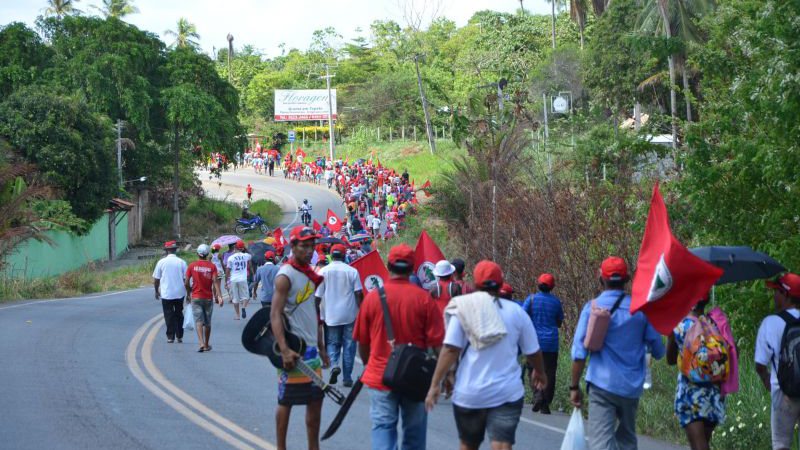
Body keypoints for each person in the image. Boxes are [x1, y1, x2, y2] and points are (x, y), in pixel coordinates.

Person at [425, 260, 548, 450]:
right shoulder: (517, 312)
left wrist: (435, 384)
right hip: (506, 392)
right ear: (500, 283)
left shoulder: (463, 309)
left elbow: (450, 350)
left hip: (470, 392)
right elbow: (533, 351)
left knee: (468, 444)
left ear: (474, 284)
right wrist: (539, 372)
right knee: (502, 445)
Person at [353, 244, 445, 450]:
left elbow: (363, 342)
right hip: (415, 378)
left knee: (383, 427)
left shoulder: (372, 299)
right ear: (413, 268)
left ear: (388, 266)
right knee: (414, 433)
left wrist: (370, 366)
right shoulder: (424, 299)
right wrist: (443, 377)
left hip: (380, 377)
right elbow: (438, 345)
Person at [569, 256, 666, 450]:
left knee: (601, 443)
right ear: (627, 279)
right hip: (631, 388)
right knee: (627, 440)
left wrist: (574, 386)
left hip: (601, 385)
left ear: (600, 278)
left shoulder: (592, 308)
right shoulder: (640, 311)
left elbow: (579, 354)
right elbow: (658, 351)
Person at [271, 225, 329, 450]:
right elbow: (275, 314)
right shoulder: (285, 275)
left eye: (311, 246)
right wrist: (284, 349)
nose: (308, 250)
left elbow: (313, 312)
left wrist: (322, 346)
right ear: (293, 246)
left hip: (313, 350)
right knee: (286, 400)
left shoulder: (309, 274)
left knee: (316, 401)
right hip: (294, 348)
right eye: (304, 246)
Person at [666, 294, 727, 450]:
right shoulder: (715, 323)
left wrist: (671, 337)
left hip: (691, 396)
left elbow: (670, 359)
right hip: (715, 395)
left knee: (699, 445)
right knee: (703, 443)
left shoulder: (680, 326)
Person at [755, 273, 800, 450]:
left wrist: (767, 381)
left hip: (783, 393)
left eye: (777, 292)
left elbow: (760, 365)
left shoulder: (771, 323)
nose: (774, 296)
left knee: (781, 444)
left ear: (787, 295)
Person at [315, 244, 364, 387]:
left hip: (330, 315)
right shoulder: (352, 271)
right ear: (344, 256)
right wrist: (362, 312)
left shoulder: (323, 271)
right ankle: (347, 378)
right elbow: (358, 293)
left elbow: (317, 297)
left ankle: (334, 364)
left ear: (331, 255)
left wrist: (316, 313)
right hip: (350, 315)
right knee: (349, 346)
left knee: (332, 343)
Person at [522, 273, 563, 414]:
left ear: (538, 284)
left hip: (534, 341)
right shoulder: (556, 302)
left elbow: (522, 316)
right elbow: (559, 322)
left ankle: (538, 394)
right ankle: (545, 402)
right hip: (551, 343)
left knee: (532, 369)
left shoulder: (531, 300)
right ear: (552, 286)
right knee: (549, 372)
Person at [185, 244, 223, 352]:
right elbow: (215, 281)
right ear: (207, 254)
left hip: (196, 297)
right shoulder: (212, 266)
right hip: (208, 298)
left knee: (198, 321)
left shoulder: (192, 266)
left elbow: (186, 282)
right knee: (207, 322)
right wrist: (219, 296)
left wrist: (189, 292)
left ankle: (201, 342)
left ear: (197, 253)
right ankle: (206, 344)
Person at [152, 241, 188, 343]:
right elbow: (186, 279)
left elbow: (156, 279)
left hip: (166, 293)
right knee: (179, 313)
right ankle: (179, 335)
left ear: (167, 250)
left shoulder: (161, 262)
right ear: (175, 250)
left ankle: (170, 336)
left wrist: (156, 291)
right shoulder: (182, 262)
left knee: (168, 315)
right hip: (179, 293)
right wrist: (189, 293)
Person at [225, 240, 253, 320]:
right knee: (246, 297)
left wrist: (226, 281)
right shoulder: (246, 256)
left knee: (235, 298)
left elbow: (227, 270)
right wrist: (245, 249)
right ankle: (243, 307)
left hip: (234, 279)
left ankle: (237, 315)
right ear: (242, 248)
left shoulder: (231, 258)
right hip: (243, 279)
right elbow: (251, 255)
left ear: (235, 248)